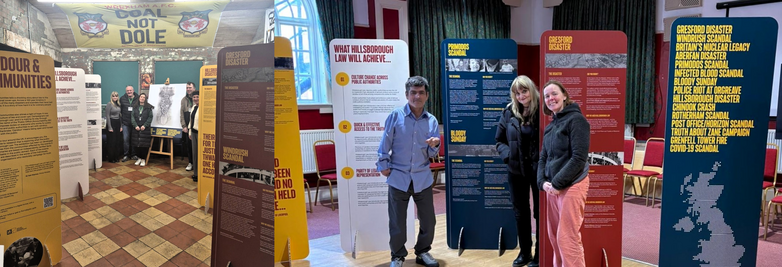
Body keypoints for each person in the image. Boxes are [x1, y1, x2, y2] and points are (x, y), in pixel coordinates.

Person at [377, 76, 441, 267]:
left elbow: (431, 152)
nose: (417, 96)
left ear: (427, 96)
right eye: (413, 92)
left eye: (421, 92)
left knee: (428, 221)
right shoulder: (395, 117)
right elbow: (384, 145)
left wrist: (435, 145)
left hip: (422, 178)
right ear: (407, 95)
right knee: (397, 221)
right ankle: (397, 255)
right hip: (398, 178)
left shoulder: (431, 121)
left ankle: (423, 252)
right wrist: (384, 167)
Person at [537, 80, 590, 267]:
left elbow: (578, 158)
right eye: (547, 96)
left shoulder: (577, 120)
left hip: (573, 185)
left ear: (564, 95)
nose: (551, 98)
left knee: (567, 239)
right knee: (554, 237)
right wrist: (542, 182)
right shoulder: (551, 126)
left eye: (554, 94)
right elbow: (543, 157)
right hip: (553, 187)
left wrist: (557, 184)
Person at [495, 75, 541, 267]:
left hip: (539, 171)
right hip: (516, 171)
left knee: (540, 213)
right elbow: (499, 140)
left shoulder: (543, 110)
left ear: (531, 89)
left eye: (524, 90)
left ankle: (540, 254)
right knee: (520, 213)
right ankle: (525, 253)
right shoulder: (508, 112)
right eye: (517, 92)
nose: (521, 95)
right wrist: (508, 157)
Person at [131, 93, 154, 167]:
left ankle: (143, 159)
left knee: (144, 145)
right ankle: (139, 158)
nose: (142, 98)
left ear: (145, 99)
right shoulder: (135, 107)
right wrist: (135, 125)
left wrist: (145, 125)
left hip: (145, 129)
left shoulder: (148, 108)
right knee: (136, 144)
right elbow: (132, 117)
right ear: (139, 98)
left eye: (144, 97)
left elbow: (150, 117)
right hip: (136, 128)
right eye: (141, 97)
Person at [119, 85, 139, 162]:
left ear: (133, 90)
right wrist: (121, 124)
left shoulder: (138, 98)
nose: (129, 92)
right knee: (125, 139)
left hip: (135, 123)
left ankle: (134, 154)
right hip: (125, 123)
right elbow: (119, 111)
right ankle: (126, 155)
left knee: (134, 139)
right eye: (127, 91)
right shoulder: (122, 99)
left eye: (130, 90)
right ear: (126, 91)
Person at [180, 82, 196, 171]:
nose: (188, 89)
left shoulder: (198, 98)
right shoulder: (183, 99)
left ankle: (197, 163)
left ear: (194, 88)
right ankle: (190, 162)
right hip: (187, 126)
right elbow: (181, 113)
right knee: (189, 145)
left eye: (190, 87)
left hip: (196, 126)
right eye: (187, 88)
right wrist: (184, 126)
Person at [105, 91, 123, 163]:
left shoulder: (118, 104)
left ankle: (116, 157)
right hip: (111, 123)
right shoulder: (109, 104)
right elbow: (107, 116)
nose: (115, 97)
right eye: (113, 96)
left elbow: (120, 116)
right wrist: (109, 127)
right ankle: (111, 158)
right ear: (111, 97)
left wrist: (121, 126)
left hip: (118, 123)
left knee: (117, 142)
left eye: (116, 96)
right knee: (111, 142)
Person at [188, 91, 200, 182]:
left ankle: (201, 174)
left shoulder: (203, 108)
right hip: (193, 133)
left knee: (200, 154)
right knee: (194, 154)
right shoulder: (194, 107)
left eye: (197, 97)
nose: (195, 99)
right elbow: (191, 121)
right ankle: (195, 173)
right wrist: (189, 131)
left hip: (200, 134)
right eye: (194, 97)